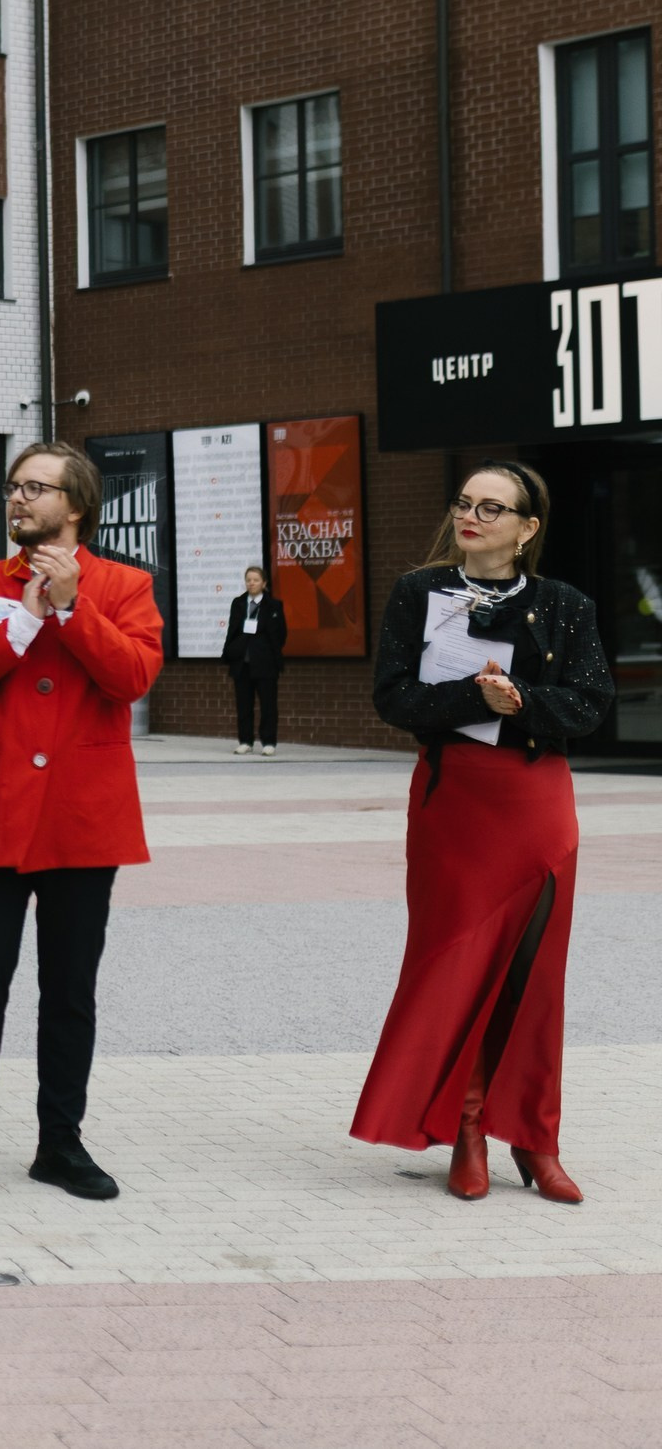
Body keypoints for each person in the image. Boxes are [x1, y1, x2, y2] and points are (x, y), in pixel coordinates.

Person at [0, 442, 162, 1203]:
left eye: (35, 489)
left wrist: (76, 607)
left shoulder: (125, 585)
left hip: (83, 820)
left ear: (76, 505)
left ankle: (61, 1142)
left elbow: (133, 677)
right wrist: (20, 622)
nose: (18, 500)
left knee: (70, 990)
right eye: (14, 487)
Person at [353, 461, 613, 1203]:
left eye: (492, 508)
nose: (473, 517)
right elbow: (393, 697)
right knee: (458, 968)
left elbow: (589, 704)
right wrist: (471, 696)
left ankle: (537, 1139)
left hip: (534, 802)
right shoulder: (418, 593)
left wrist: (519, 700)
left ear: (527, 528)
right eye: (466, 504)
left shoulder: (565, 604)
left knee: (535, 975)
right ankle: (467, 1131)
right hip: (454, 802)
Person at [220, 565, 287, 755]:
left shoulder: (274, 606)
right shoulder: (239, 603)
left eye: (255, 580)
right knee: (243, 704)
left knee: (268, 704)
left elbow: (281, 635)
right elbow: (233, 630)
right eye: (248, 580)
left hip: (265, 663)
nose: (251, 583)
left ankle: (268, 742)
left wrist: (267, 650)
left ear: (264, 583)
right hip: (243, 662)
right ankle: (245, 741)